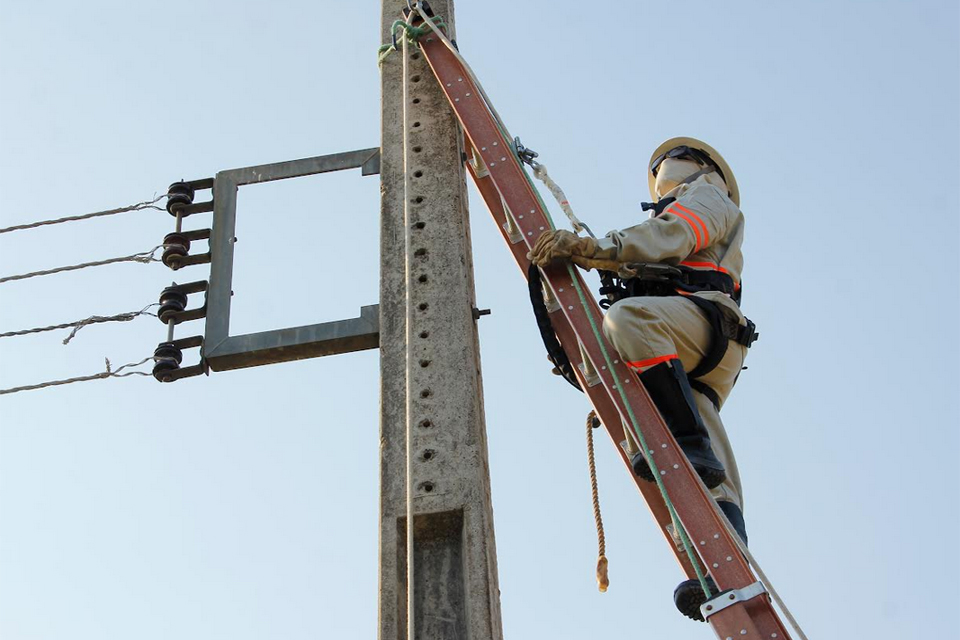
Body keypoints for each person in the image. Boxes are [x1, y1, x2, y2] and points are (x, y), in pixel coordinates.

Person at [528, 137, 757, 620]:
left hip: (698, 324)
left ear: (699, 167)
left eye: (668, 164)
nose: (662, 171)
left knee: (630, 322)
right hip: (697, 344)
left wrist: (595, 248)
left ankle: (688, 445)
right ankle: (716, 563)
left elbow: (674, 235)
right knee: (696, 457)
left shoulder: (706, 196)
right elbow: (660, 249)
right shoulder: (677, 213)